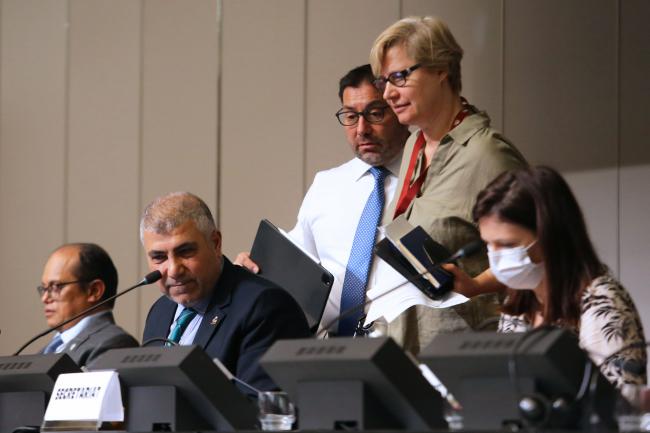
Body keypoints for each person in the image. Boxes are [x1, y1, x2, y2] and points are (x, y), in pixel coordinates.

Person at [369, 16, 527, 354]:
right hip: (409, 347)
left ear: (441, 69)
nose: (387, 93)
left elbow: (539, 252)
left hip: (464, 355)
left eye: (399, 76)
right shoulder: (414, 146)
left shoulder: (487, 154)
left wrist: (476, 285)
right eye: (383, 81)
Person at [236, 64, 410, 336]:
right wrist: (258, 267)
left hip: (404, 345)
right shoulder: (327, 184)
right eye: (351, 116)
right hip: (331, 346)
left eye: (375, 114)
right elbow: (298, 261)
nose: (361, 129)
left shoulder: (426, 178)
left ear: (399, 109)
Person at [461, 165, 646, 389]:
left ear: (549, 236)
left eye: (507, 245)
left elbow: (619, 407)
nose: (496, 257)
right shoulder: (517, 303)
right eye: (489, 245)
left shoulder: (601, 301)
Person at [140, 192, 310, 395]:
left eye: (185, 252)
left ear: (215, 243)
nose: (174, 270)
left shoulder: (264, 307)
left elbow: (258, 412)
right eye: (159, 257)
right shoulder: (160, 311)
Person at [38, 243, 138, 367]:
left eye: (56, 287)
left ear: (94, 291)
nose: (45, 298)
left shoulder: (113, 344)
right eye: (44, 288)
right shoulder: (46, 351)